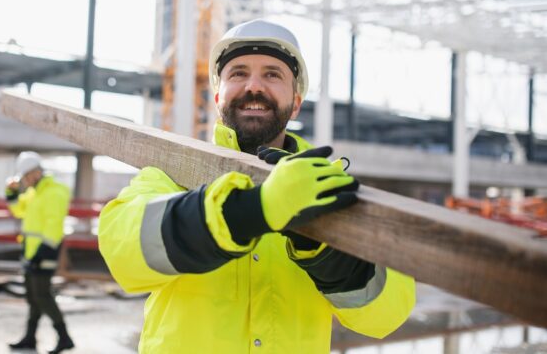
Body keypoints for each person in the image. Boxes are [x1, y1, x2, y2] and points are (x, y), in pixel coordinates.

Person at [98, 19, 415, 353]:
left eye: (272, 74)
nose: (253, 86)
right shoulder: (173, 174)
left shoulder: (328, 191)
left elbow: (385, 315)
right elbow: (124, 253)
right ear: (218, 97)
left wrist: (323, 248)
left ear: (295, 102)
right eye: (238, 73)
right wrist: (248, 211)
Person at [6, 151, 74, 353]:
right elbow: (18, 210)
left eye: (26, 177)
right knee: (33, 297)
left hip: (45, 253)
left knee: (43, 296)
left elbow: (54, 225)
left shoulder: (54, 191)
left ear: (36, 173)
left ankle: (64, 338)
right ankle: (29, 338)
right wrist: (11, 193)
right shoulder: (34, 192)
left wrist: (42, 253)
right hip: (30, 253)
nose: (25, 181)